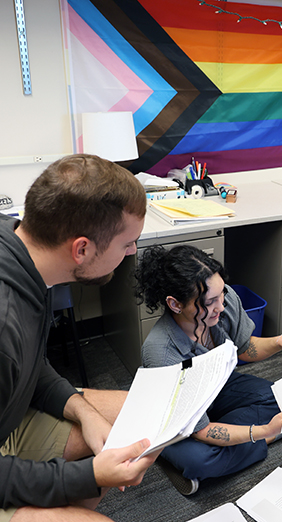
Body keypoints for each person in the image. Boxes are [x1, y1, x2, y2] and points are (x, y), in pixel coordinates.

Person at [0, 154, 160, 521]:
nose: (133, 251)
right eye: (127, 243)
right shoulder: (4, 321)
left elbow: (26, 366)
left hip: (8, 421)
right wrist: (85, 476)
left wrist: (82, 411)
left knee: (135, 414)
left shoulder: (20, 248)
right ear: (82, 249)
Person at [134, 244, 282, 495]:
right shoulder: (161, 351)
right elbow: (200, 430)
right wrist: (263, 432)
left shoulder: (224, 298)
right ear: (175, 304)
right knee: (200, 458)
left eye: (221, 294)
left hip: (216, 387)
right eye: (210, 302)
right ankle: (264, 438)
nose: (221, 306)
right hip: (176, 420)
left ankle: (239, 441)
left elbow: (245, 348)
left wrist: (280, 341)